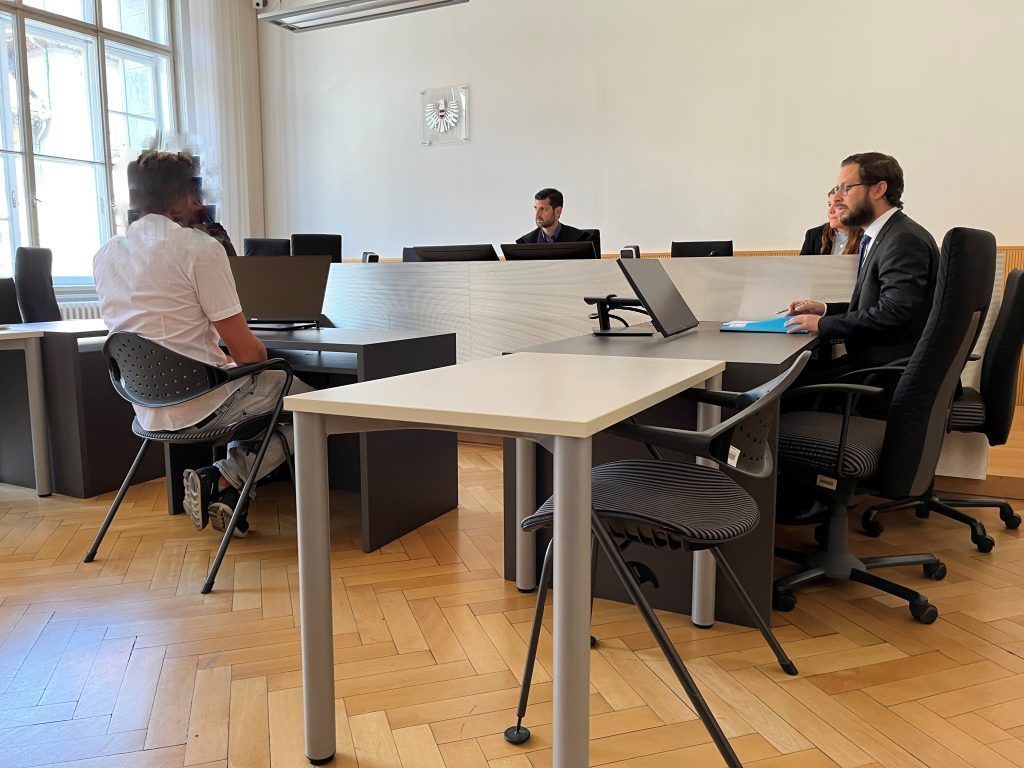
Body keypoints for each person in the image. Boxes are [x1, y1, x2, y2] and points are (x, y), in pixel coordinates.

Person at [93, 150, 311, 538]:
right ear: (183, 196)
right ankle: (222, 476)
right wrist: (251, 360)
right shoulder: (198, 248)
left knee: (261, 399)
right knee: (310, 404)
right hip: (202, 405)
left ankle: (227, 493)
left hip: (145, 406)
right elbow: (248, 354)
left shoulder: (106, 254)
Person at [784, 152, 939, 378]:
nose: (838, 198)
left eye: (846, 188)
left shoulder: (903, 239)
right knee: (786, 377)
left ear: (878, 189)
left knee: (784, 383)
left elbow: (893, 314)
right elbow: (877, 306)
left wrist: (823, 324)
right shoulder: (885, 235)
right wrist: (824, 309)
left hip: (885, 373)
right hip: (877, 364)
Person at [517, 188, 594, 247]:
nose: (537, 215)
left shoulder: (582, 240)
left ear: (558, 211)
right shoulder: (524, 244)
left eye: (543, 209)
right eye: (535, 208)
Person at [800, 190, 864, 255]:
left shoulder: (866, 236)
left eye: (838, 205)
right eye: (829, 205)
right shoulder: (814, 235)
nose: (830, 211)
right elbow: (802, 262)